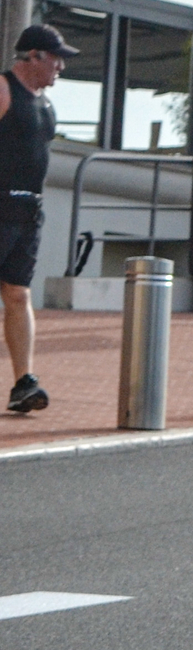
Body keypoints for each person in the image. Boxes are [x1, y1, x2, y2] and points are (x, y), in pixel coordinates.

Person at [2, 22, 76, 414]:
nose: (61, 67)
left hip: (29, 211)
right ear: (34, 56)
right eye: (57, 59)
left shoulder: (45, 105)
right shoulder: (2, 90)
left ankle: (23, 383)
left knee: (18, 293)